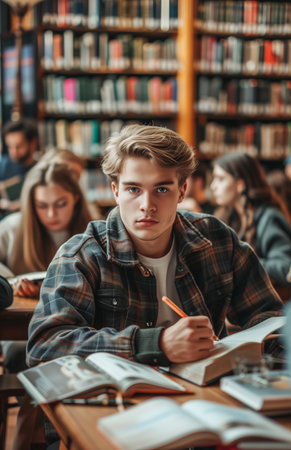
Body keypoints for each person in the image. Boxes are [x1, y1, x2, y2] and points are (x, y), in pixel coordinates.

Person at [26, 123, 284, 448]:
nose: (147, 204)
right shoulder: (82, 253)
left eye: (162, 189)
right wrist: (155, 343)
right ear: (115, 190)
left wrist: (250, 354)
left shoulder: (217, 240)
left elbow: (271, 319)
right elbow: (44, 346)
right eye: (134, 189)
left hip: (206, 404)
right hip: (112, 414)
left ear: (183, 190)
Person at [0, 162, 92, 373]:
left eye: (60, 204)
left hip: (78, 329)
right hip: (21, 328)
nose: (51, 214)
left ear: (76, 198)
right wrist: (10, 282)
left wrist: (43, 291)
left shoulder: (93, 232)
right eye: (42, 206)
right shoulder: (11, 229)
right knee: (21, 353)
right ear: (31, 203)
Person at [210, 152, 291, 286]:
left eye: (220, 179)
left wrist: (239, 261)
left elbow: (285, 267)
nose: (213, 186)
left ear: (240, 184)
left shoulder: (269, 217)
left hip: (267, 303)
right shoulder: (227, 216)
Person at [0, 118, 38, 218]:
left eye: (19, 146)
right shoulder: (2, 165)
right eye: (10, 146)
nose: (13, 152)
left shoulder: (40, 170)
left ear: (33, 143)